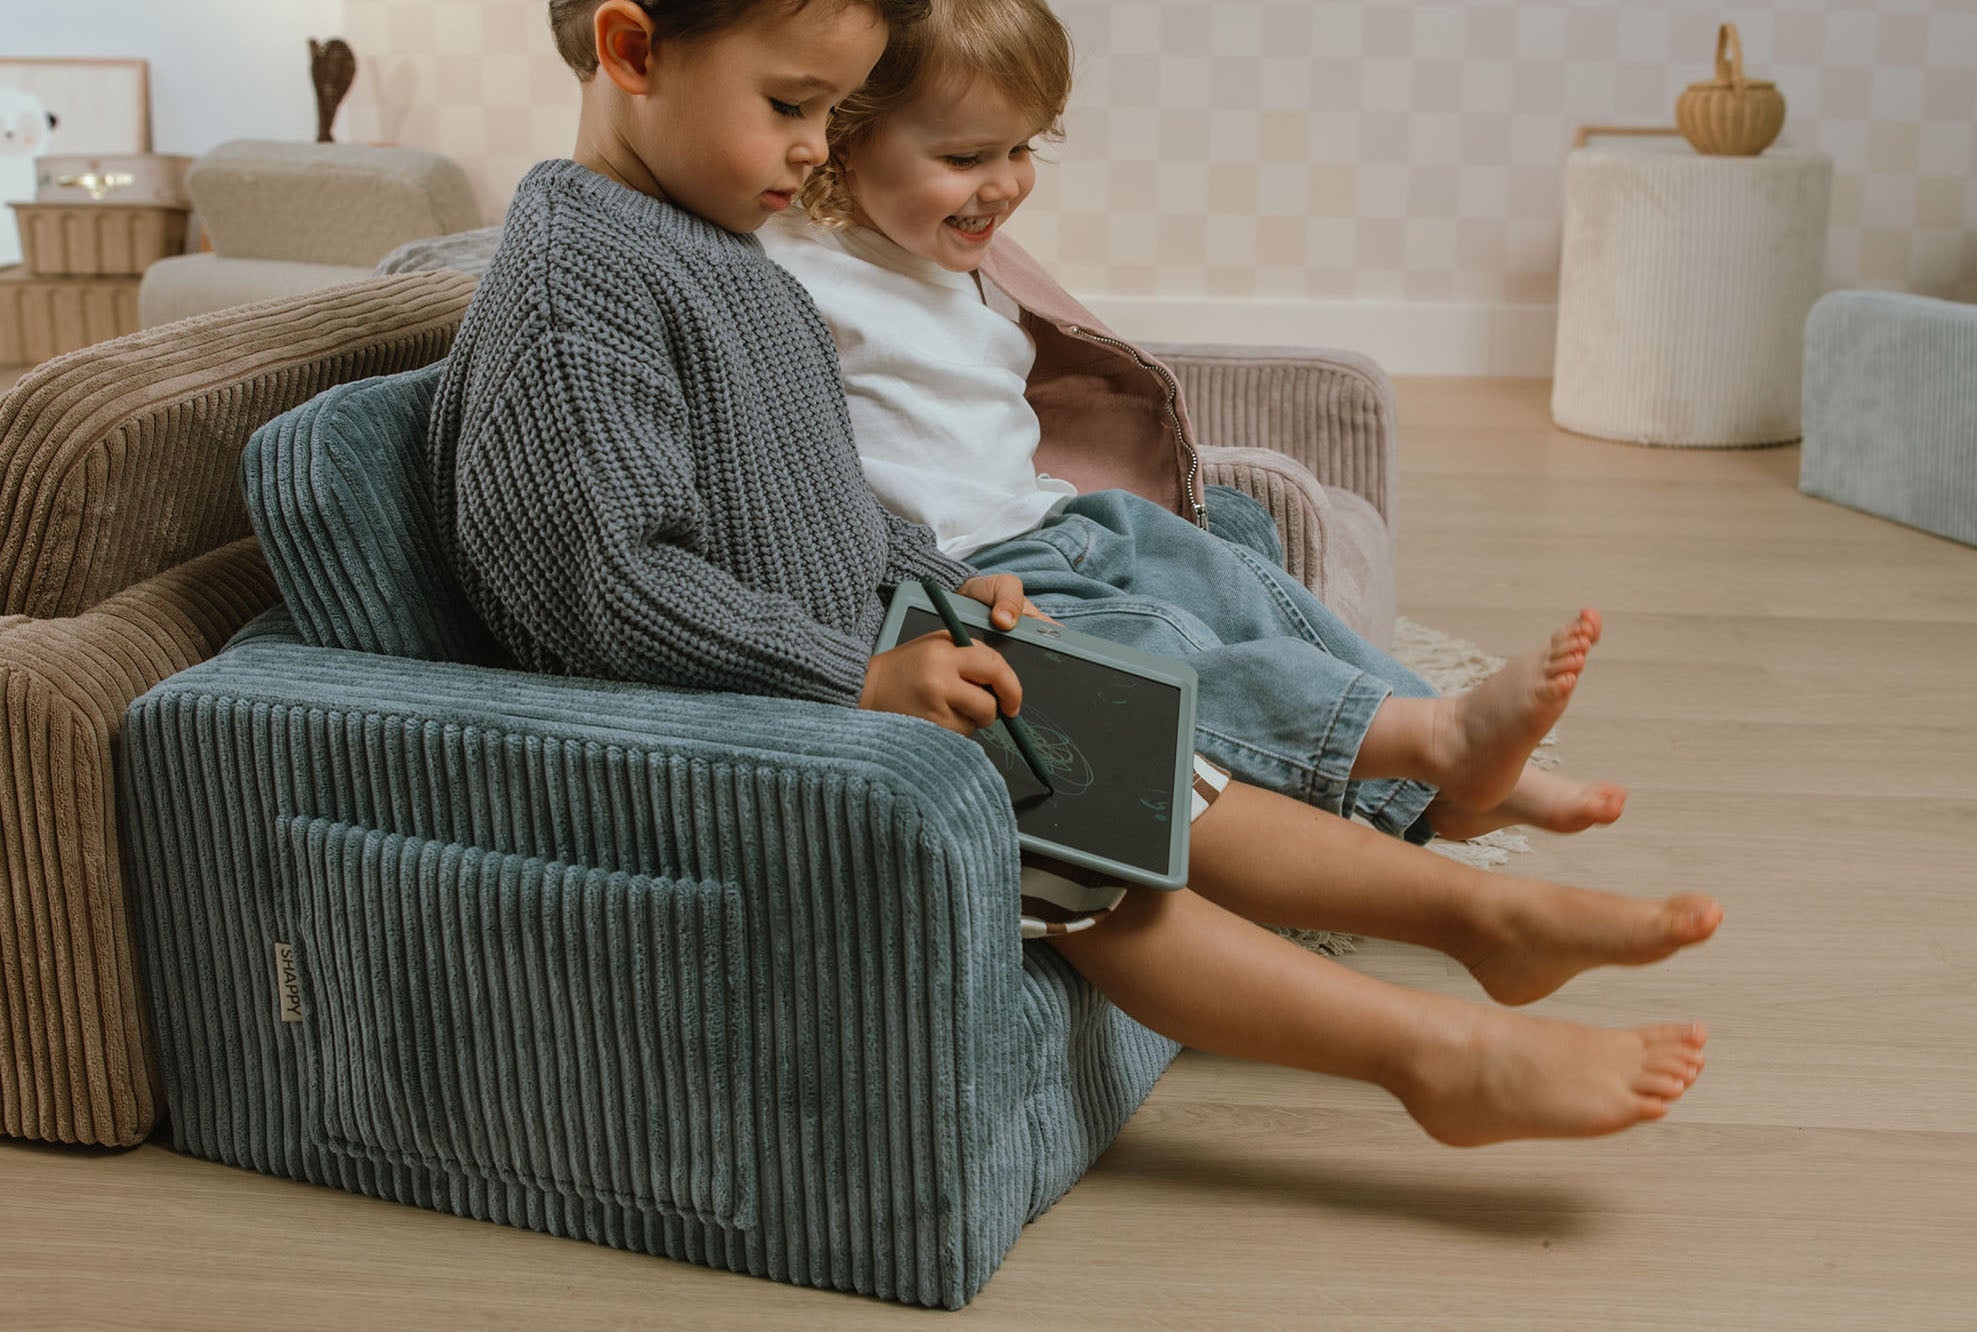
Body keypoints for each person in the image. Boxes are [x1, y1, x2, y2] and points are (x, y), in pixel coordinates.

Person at [430, 0, 1718, 1146]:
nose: (817, 148)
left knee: (1150, 763)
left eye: (829, 112)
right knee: (1092, 865)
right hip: (749, 722)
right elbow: (612, 587)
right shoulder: (575, 284)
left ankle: (1479, 921)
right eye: (790, 106)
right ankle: (1436, 1059)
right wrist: (854, 677)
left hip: (852, 665)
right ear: (631, 49)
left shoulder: (718, 246)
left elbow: (818, 498)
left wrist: (936, 582)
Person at [760, 0, 1630, 849]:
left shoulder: (949, 250)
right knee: (1161, 651)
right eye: (964, 157)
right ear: (842, 136)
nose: (1004, 184)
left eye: (1021, 149)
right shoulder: (792, 261)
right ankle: (1431, 750)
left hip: (1059, 520)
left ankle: (1446, 772)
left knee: (1240, 578)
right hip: (968, 577)